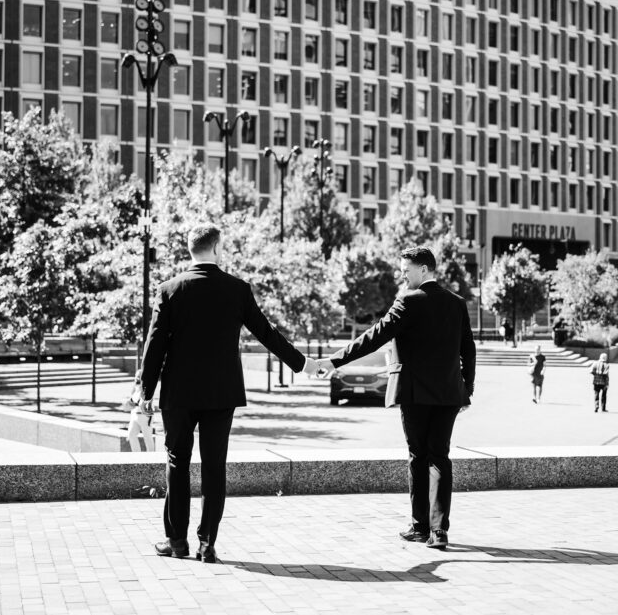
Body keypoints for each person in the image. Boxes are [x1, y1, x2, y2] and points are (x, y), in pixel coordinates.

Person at [139, 223, 322, 563]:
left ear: (189, 249)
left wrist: (146, 391)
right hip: (221, 393)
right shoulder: (237, 290)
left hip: (178, 393)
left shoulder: (169, 290)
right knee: (214, 466)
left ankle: (176, 542)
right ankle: (207, 544)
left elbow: (154, 347)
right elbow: (267, 333)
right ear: (218, 248)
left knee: (177, 463)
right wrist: (303, 365)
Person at [320, 246, 476, 550]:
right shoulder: (457, 303)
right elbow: (467, 349)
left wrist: (335, 361)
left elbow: (374, 336)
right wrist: (466, 390)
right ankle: (439, 530)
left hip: (415, 393)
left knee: (419, 456)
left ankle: (420, 527)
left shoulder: (407, 300)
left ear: (424, 270)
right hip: (448, 393)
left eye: (406, 270)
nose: (402, 275)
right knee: (440, 457)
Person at [122, 371, 157, 452]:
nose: (137, 378)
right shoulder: (135, 388)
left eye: (139, 376)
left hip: (145, 416)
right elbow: (130, 402)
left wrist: (129, 402)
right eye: (136, 376)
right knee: (131, 434)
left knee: (147, 437)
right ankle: (137, 456)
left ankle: (152, 457)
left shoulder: (146, 388)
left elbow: (136, 401)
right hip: (135, 416)